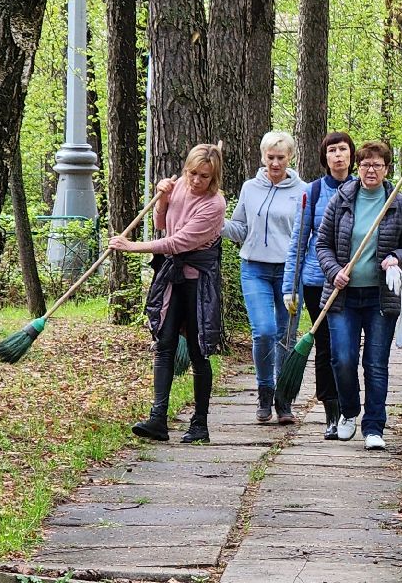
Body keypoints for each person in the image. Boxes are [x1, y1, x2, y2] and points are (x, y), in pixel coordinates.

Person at [113, 144, 227, 444]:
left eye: (204, 176)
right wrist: (163, 199)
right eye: (192, 173)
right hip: (173, 277)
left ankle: (200, 424)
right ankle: (157, 418)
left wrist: (133, 247)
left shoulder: (215, 204)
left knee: (198, 350)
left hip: (198, 281)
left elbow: (179, 242)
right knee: (164, 344)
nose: (196, 180)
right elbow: (161, 225)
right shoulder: (177, 187)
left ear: (213, 177)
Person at [314, 139, 402, 450]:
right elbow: (323, 246)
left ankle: (374, 426)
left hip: (379, 298)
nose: (370, 170)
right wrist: (335, 271)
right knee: (342, 359)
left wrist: (396, 258)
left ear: (387, 169)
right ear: (357, 168)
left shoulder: (400, 203)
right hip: (343, 298)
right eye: (365, 165)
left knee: (375, 363)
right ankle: (349, 412)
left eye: (377, 165)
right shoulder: (342, 199)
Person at [222, 131, 306, 423]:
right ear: (262, 157)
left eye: (280, 157)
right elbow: (240, 230)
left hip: (289, 272)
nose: (275, 163)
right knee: (264, 330)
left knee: (286, 335)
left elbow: (307, 235)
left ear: (290, 158)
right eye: (270, 157)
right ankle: (264, 390)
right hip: (254, 267)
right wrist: (214, 219)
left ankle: (284, 399)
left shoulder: (303, 191)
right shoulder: (250, 188)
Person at [283, 131, 356, 440]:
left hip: (355, 281)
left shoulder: (364, 189)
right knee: (326, 348)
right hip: (317, 281)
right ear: (324, 157)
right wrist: (291, 286)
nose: (338, 155)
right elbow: (299, 242)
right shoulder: (313, 192)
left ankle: (352, 409)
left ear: (352, 155)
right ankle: (332, 413)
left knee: (349, 349)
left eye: (343, 149)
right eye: (332, 150)